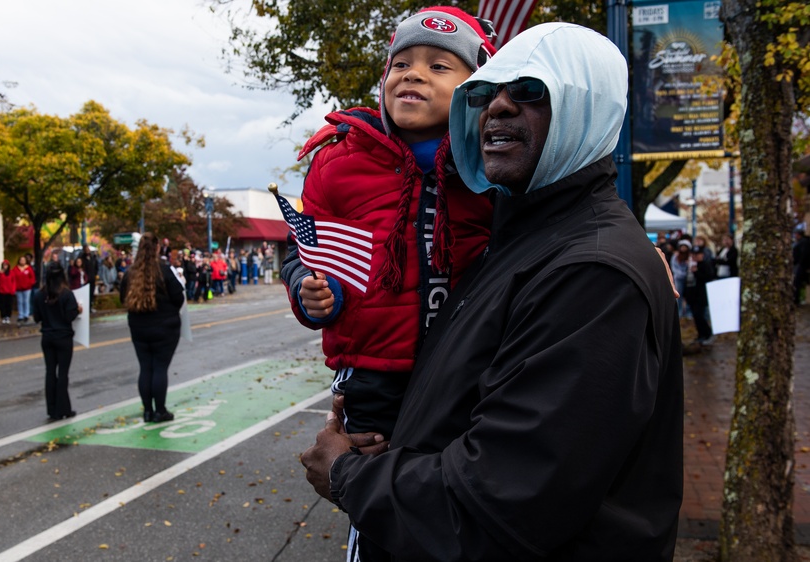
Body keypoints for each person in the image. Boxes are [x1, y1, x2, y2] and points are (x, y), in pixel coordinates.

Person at [301, 23, 683, 561]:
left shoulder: (594, 276)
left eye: (529, 91)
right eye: (482, 93)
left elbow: (499, 503)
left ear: (588, 111)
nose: (497, 108)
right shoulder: (515, 238)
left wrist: (347, 473)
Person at [282, 8, 496, 559]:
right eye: (400, 63)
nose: (413, 73)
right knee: (376, 502)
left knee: (457, 497)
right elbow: (307, 254)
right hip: (374, 375)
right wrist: (309, 291)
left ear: (475, 90)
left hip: (467, 373)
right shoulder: (337, 162)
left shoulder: (491, 165)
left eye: (438, 65)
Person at [120, 232, 184, 423]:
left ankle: (147, 411)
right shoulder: (164, 271)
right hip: (165, 327)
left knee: (145, 368)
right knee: (160, 369)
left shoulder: (131, 273)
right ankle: (160, 410)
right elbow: (179, 297)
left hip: (139, 328)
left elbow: (123, 298)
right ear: (157, 248)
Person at [32, 261, 81, 420]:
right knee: (63, 374)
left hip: (47, 337)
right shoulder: (66, 294)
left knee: (50, 372)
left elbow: (37, 317)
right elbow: (69, 317)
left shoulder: (40, 295)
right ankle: (64, 408)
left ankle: (52, 409)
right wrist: (77, 310)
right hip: (63, 337)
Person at [684, 244, 716, 345]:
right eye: (694, 254)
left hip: (701, 296)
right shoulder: (691, 265)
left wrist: (696, 272)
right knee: (696, 316)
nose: (695, 256)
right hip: (692, 295)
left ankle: (707, 334)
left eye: (697, 254)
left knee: (700, 316)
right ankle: (701, 335)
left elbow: (708, 278)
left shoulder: (705, 264)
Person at [13, 255, 36, 324]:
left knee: (26, 301)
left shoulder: (28, 268)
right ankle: (21, 315)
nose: (22, 261)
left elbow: (32, 278)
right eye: (21, 260)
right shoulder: (16, 269)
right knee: (20, 302)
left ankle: (26, 315)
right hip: (18, 288)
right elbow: (13, 278)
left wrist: (29, 284)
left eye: (23, 260)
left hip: (27, 288)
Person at [0, 260, 16, 324]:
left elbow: (13, 282)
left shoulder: (11, 272)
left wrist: (13, 290)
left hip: (9, 292)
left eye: (6, 265)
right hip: (2, 292)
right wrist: (0, 273)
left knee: (8, 305)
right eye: (4, 265)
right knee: (2, 305)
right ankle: (3, 316)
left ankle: (8, 316)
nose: (5, 266)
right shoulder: (0, 272)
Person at [80, 245, 99, 313]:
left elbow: (96, 266)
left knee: (91, 293)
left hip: (92, 278)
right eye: (86, 249)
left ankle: (90, 307)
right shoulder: (81, 258)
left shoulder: (93, 257)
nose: (87, 250)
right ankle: (86, 308)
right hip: (86, 279)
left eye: (88, 249)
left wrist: (95, 274)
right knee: (86, 294)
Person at [795, 227, 810, 305]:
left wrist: (800, 263)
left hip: (802, 265)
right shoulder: (803, 242)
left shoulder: (803, 242)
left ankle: (796, 300)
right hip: (802, 265)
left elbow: (803, 254)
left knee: (797, 282)